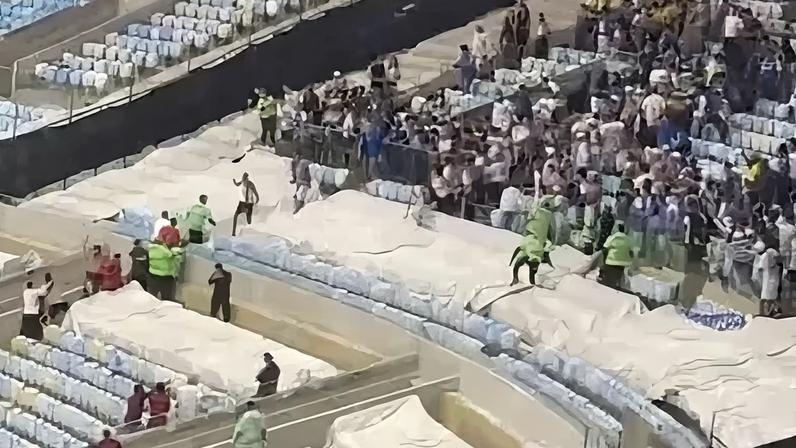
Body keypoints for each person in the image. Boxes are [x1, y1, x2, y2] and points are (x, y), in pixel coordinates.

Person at [600, 224, 634, 289]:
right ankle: (617, 284)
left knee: (609, 276)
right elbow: (631, 251)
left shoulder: (612, 237)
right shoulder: (628, 239)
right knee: (618, 275)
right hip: (623, 263)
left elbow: (605, 248)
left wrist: (604, 260)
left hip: (611, 261)